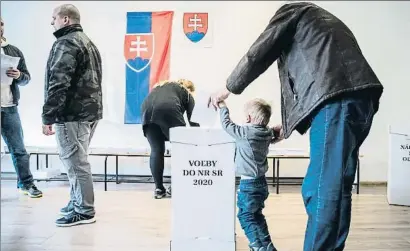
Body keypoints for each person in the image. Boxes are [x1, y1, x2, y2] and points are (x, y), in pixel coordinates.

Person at [208, 2, 383, 251]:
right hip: (360, 101)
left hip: (337, 102)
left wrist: (227, 89)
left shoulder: (293, 11)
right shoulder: (323, 23)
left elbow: (259, 52)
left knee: (320, 188)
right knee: (338, 188)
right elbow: (321, 79)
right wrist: (288, 127)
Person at [42, 4, 102, 227]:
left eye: (54, 17)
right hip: (89, 112)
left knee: (76, 163)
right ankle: (77, 201)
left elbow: (58, 83)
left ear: (66, 19)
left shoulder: (66, 43)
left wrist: (48, 116)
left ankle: (84, 210)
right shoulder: (87, 41)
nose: (52, 22)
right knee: (78, 160)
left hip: (71, 114)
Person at [218, 98, 277, 251]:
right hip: (261, 184)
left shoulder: (245, 133)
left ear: (248, 118)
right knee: (257, 215)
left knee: (245, 216)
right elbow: (275, 132)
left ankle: (257, 246)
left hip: (249, 185)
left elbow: (227, 124)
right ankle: (268, 245)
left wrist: (223, 106)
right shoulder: (267, 133)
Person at [1, 17, 43, 198]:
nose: (0, 27)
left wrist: (18, 75)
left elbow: (27, 78)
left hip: (9, 107)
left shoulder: (13, 51)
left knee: (18, 149)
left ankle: (26, 184)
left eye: (1, 23)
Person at [141, 79, 200, 199]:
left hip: (146, 111)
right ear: (190, 88)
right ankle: (176, 186)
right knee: (181, 149)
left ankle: (159, 189)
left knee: (156, 150)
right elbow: (193, 119)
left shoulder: (159, 88)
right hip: (168, 109)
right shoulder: (187, 93)